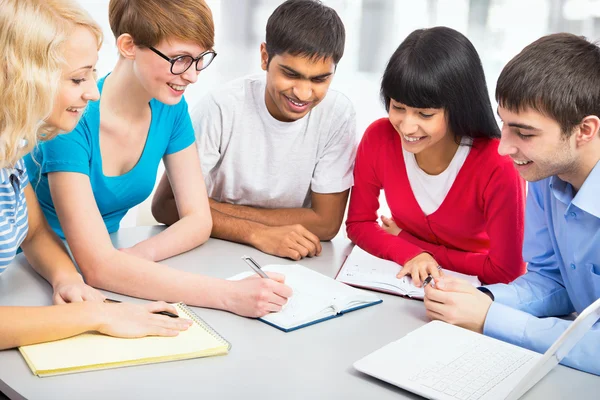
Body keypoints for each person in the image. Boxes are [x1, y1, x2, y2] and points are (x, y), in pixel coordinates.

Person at [25, 0, 292, 318]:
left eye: (199, 60)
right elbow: (96, 266)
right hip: (38, 273)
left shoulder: (171, 107)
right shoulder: (71, 117)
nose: (192, 76)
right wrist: (228, 295)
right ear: (128, 46)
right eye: (179, 60)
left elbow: (198, 219)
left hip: (109, 268)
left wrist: (137, 255)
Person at [0, 0, 192, 350]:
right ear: (18, 72)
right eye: (77, 78)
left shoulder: (11, 151)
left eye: (91, 73)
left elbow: (36, 229)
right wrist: (97, 316)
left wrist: (66, 278)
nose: (93, 91)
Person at [424, 33, 600, 376]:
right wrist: (482, 299)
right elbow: (553, 281)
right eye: (504, 124)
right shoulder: (546, 173)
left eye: (525, 133)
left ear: (585, 130)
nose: (504, 148)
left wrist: (491, 319)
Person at [151, 0, 357, 261]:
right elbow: (165, 206)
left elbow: (326, 224)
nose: (303, 93)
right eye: (290, 74)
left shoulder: (338, 115)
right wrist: (255, 233)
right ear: (264, 57)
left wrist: (209, 209)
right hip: (212, 247)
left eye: (320, 79)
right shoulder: (222, 107)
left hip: (293, 255)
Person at [345, 27, 526, 286]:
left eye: (425, 114)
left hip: (477, 297)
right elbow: (359, 224)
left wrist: (413, 245)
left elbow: (506, 272)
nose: (407, 127)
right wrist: (411, 253)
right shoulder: (379, 138)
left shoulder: (498, 163)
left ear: (459, 107)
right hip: (408, 289)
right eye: (398, 107)